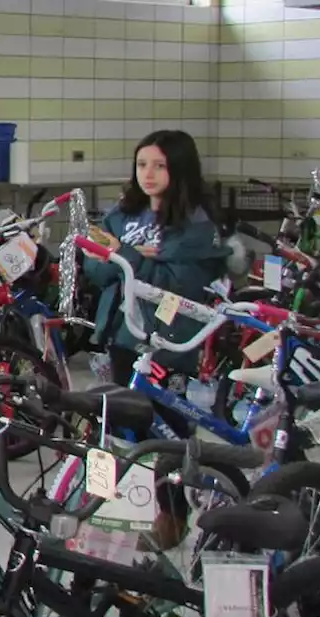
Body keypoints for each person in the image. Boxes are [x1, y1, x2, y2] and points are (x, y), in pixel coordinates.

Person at [82, 129, 230, 549]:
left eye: (159, 165)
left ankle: (173, 517)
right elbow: (97, 269)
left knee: (168, 429)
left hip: (169, 341)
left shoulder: (196, 225)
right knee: (118, 425)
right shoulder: (125, 214)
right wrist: (130, 259)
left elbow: (176, 285)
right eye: (142, 163)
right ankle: (114, 514)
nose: (147, 173)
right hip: (123, 333)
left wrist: (127, 257)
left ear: (178, 168)